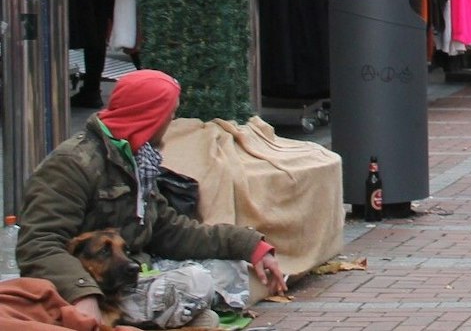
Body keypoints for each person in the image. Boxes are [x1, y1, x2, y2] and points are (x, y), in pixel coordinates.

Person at [19, 70, 288, 328]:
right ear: (149, 115)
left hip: (134, 273)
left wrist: (249, 245)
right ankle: (148, 316)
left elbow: (169, 230)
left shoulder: (137, 159)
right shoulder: (73, 163)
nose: (171, 121)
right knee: (193, 283)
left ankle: (172, 314)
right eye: (169, 114)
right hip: (92, 285)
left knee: (231, 269)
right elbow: (39, 244)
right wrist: (82, 293)